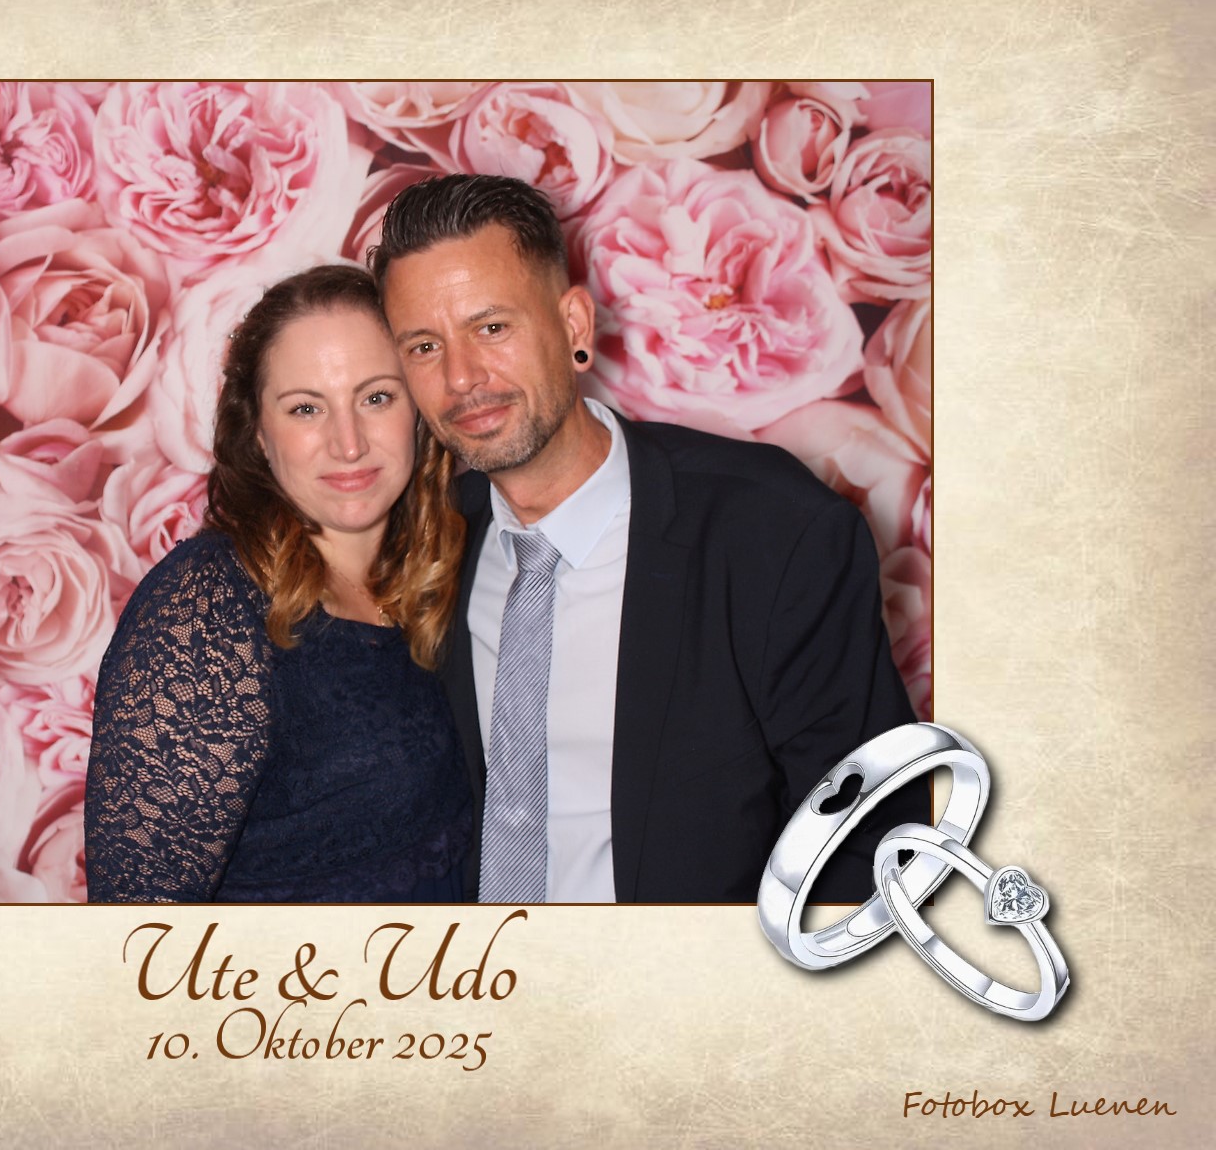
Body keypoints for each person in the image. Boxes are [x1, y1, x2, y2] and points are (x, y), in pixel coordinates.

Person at [369, 174, 929, 904]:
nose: (462, 377)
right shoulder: (423, 536)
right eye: (423, 346)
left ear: (574, 326)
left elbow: (868, 843)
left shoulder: (772, 531)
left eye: (492, 327)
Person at [84, 264, 474, 902]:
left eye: (376, 397)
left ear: (419, 410)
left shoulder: (452, 564)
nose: (348, 444)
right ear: (260, 435)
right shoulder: (207, 611)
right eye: (305, 409)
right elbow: (137, 925)